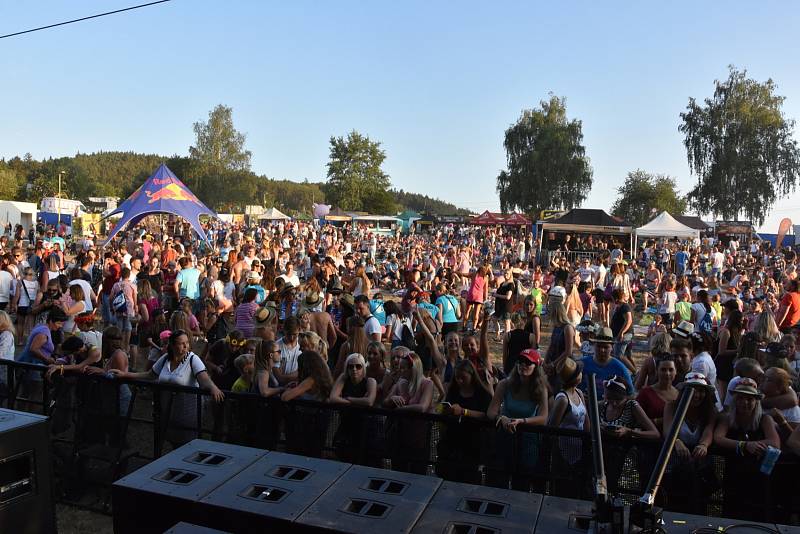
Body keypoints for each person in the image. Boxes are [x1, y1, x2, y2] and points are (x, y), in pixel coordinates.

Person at [110, 329, 224, 447]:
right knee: (172, 441)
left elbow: (203, 378)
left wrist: (212, 387)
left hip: (187, 410)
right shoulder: (165, 358)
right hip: (168, 409)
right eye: (181, 343)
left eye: (187, 343)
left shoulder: (192, 359)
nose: (186, 346)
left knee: (187, 443)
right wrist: (125, 374)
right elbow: (150, 375)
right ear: (173, 345)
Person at [713, 377, 781, 520]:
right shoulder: (727, 418)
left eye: (749, 399)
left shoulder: (764, 419)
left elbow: (775, 442)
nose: (744, 402)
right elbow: (718, 438)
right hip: (733, 474)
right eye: (741, 398)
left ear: (756, 401)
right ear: (735, 400)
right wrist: (744, 445)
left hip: (758, 476)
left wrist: (754, 444)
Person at [486, 348, 549, 490]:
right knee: (499, 480)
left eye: (528, 363)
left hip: (528, 441)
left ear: (536, 367)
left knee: (522, 483)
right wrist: (501, 417)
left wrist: (522, 421)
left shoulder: (541, 389)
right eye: (520, 361)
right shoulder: (505, 384)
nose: (523, 365)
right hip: (505, 437)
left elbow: (544, 418)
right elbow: (491, 411)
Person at [661, 372, 719, 514]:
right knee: (673, 502)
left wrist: (703, 445)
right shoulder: (671, 406)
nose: (697, 395)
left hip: (699, 466)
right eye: (692, 390)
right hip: (674, 465)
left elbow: (709, 430)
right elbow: (667, 429)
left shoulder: (710, 410)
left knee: (698, 504)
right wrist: (677, 442)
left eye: (700, 391)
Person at [436, 359, 492, 483]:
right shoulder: (453, 391)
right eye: (457, 378)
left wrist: (464, 411)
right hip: (452, 442)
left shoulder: (483, 394)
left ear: (472, 376)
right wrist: (443, 409)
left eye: (463, 378)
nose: (460, 381)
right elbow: (441, 406)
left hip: (473, 444)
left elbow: (486, 415)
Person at [580, 326, 634, 397]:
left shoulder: (620, 369)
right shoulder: (582, 364)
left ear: (612, 347)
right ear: (593, 345)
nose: (602, 350)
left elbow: (630, 394)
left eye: (606, 347)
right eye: (599, 346)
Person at [636, 354, 679, 429]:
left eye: (671, 370)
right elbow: (636, 421)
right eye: (663, 370)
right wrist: (662, 420)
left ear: (676, 371)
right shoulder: (645, 393)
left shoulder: (679, 394)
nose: (667, 373)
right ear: (657, 371)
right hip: (651, 439)